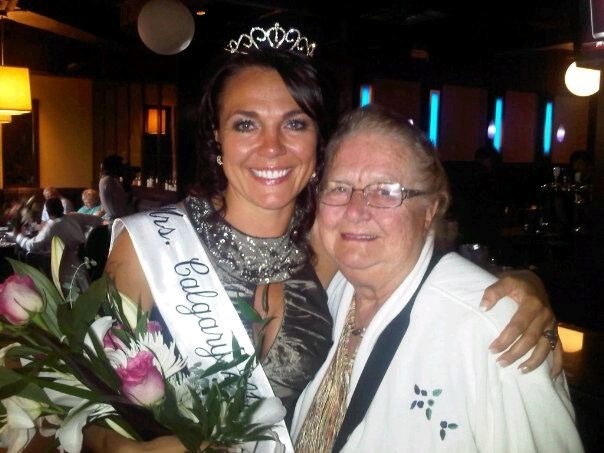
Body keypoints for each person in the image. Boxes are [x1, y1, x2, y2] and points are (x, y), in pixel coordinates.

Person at [84, 24, 558, 452]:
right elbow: (80, 401)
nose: (272, 147)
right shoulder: (150, 247)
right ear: (216, 137)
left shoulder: (331, 243)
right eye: (246, 124)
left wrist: (524, 283)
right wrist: (122, 450)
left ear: (317, 142)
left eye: (295, 123)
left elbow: (422, 264)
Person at [291, 105, 582, 452]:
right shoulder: (332, 290)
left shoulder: (498, 331)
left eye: (385, 191)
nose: (355, 210)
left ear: (430, 209)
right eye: (338, 188)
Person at [9, 197, 88, 293]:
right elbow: (82, 238)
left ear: (48, 211)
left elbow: (32, 245)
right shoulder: (70, 219)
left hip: (58, 264)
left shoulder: (53, 225)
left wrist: (18, 237)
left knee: (24, 254)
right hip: (75, 260)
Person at [98, 154, 135, 223]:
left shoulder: (106, 179)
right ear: (115, 167)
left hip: (118, 218)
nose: (123, 168)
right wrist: (127, 179)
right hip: (120, 220)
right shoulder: (109, 181)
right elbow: (124, 201)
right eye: (121, 166)